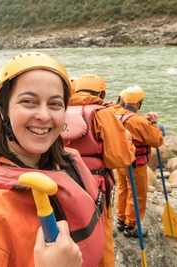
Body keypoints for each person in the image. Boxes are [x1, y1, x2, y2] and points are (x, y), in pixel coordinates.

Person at [0, 52, 105, 266]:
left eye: (55, 104)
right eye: (28, 101)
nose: (44, 115)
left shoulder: (66, 161)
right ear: (2, 110)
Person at [61, 73, 136, 267]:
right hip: (96, 186)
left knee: (72, 230)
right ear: (101, 93)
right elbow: (119, 158)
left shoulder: (62, 109)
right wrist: (127, 141)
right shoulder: (102, 114)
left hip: (64, 180)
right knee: (101, 233)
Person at [108, 85, 164, 238]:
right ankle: (131, 226)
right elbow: (157, 140)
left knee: (123, 189)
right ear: (139, 102)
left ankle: (120, 219)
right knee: (137, 195)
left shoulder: (114, 112)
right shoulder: (138, 121)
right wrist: (153, 123)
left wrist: (143, 119)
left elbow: (127, 117)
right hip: (136, 164)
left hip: (121, 162)